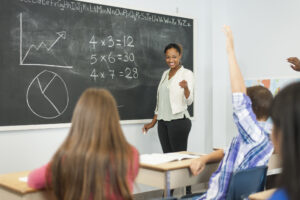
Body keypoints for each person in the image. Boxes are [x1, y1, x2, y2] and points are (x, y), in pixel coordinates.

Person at [188, 25, 274, 200]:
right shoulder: (264, 137)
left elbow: (240, 101)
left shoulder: (255, 135)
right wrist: (203, 159)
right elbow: (227, 151)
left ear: (251, 110)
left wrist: (230, 52)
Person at [27, 88, 139, 200]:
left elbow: (33, 180)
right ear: (114, 118)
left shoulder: (68, 158)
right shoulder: (131, 154)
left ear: (79, 118)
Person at [142, 43, 194, 154]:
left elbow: (189, 101)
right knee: (168, 158)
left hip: (178, 122)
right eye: (168, 57)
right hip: (162, 123)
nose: (171, 60)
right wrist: (153, 122)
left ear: (180, 56)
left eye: (174, 57)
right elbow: (161, 101)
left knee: (179, 159)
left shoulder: (186, 73)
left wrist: (186, 88)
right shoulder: (165, 74)